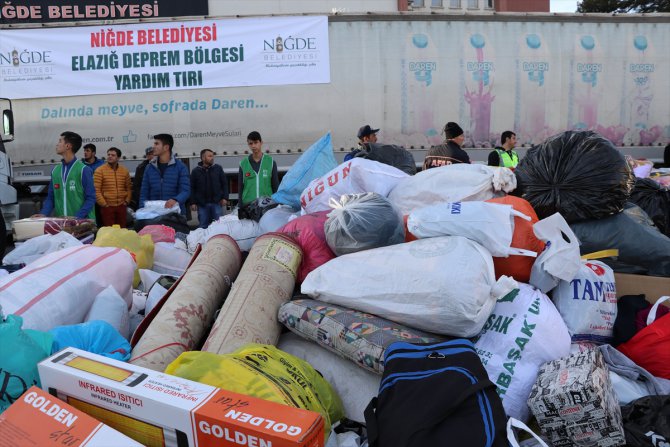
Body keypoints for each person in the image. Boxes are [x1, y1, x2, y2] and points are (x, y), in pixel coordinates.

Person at [35, 131, 96, 219]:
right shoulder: (55, 170)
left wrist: (76, 217)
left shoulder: (84, 170)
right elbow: (51, 197)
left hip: (82, 225)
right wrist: (43, 213)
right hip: (62, 224)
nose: (57, 144)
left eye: (60, 141)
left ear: (68, 146)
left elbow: (91, 198)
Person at [139, 133, 190, 215]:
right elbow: (144, 193)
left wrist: (175, 200)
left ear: (166, 147)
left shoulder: (180, 167)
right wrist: (142, 211)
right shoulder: (149, 167)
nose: (153, 146)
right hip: (153, 215)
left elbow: (185, 191)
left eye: (157, 144)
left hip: (175, 214)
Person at [238, 131, 279, 208]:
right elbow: (240, 187)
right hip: (248, 206)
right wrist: (240, 206)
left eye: (256, 142)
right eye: (250, 143)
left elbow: (275, 185)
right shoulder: (243, 164)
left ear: (261, 143)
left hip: (266, 205)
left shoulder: (270, 162)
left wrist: (276, 204)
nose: (253, 146)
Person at [191, 148, 229, 229]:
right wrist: (193, 202)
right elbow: (192, 188)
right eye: (209, 156)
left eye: (213, 156)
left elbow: (225, 184)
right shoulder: (195, 171)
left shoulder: (218, 168)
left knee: (219, 227)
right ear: (203, 157)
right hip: (202, 205)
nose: (212, 158)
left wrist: (225, 198)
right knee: (203, 227)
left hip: (217, 204)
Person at [94, 147, 132, 227]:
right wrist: (104, 204)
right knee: (109, 231)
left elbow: (128, 188)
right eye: (108, 154)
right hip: (107, 207)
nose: (110, 156)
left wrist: (126, 201)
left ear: (118, 157)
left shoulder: (124, 171)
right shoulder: (100, 170)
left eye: (113, 155)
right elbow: (96, 190)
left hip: (121, 206)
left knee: (122, 230)